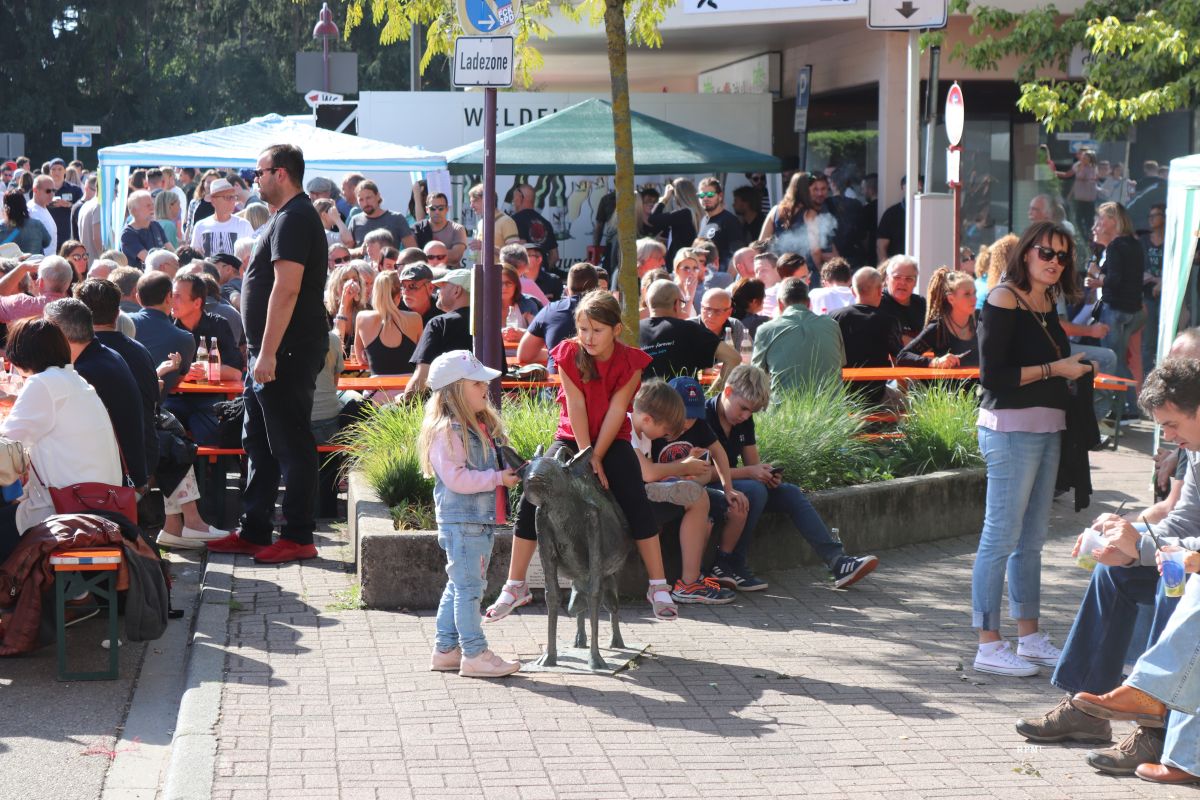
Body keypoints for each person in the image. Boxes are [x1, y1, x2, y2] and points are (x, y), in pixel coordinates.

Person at [1014, 333, 1200, 776]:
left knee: (1172, 583)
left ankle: (1154, 729)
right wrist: (1125, 539)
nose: (1168, 436)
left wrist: (1143, 546)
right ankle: (1087, 706)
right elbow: (1184, 520)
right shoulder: (1194, 448)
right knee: (1113, 571)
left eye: (1172, 424)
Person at [485, 291, 680, 622]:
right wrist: (587, 456)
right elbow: (575, 406)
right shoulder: (568, 353)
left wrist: (597, 456)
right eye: (583, 329)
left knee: (635, 497)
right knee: (532, 493)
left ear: (616, 330)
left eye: (597, 330)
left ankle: (658, 586)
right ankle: (516, 585)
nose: (588, 337)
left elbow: (617, 410)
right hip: (570, 438)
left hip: (612, 439)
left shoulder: (631, 362)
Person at [972, 220, 1094, 676]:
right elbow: (993, 376)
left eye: (1062, 256)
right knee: (1000, 537)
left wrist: (1068, 369)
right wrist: (1055, 369)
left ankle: (1029, 637)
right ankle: (988, 644)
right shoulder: (1003, 297)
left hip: (1048, 428)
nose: (1054, 262)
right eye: (1047, 253)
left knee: (1032, 540)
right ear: (1026, 252)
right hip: (1010, 430)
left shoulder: (1047, 302)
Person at [207, 144, 330, 564]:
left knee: (290, 443)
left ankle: (298, 535)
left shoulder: (295, 217)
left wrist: (270, 352)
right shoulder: (287, 216)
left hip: (285, 352)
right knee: (258, 441)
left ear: (280, 173)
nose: (253, 180)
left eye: (257, 172)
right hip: (270, 352)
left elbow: (287, 288)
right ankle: (254, 529)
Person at [707, 364, 878, 591]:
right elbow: (700, 474)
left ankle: (838, 562)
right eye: (743, 408)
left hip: (735, 486)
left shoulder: (743, 421)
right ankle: (731, 563)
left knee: (790, 493)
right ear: (728, 392)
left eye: (751, 412)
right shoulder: (704, 416)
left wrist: (766, 476)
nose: (746, 416)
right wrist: (750, 473)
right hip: (709, 489)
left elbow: (752, 465)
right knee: (755, 491)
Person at [418, 349, 522, 678]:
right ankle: (475, 654)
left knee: (459, 585)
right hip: (465, 525)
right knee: (469, 590)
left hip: (474, 524)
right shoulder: (448, 431)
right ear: (455, 391)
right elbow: (457, 480)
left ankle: (446, 650)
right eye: (476, 383)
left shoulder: (473, 426)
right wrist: (498, 478)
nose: (485, 387)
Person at [0, 319, 121, 560]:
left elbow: (6, 446)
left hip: (65, 511)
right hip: (101, 505)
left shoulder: (42, 383)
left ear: (21, 354)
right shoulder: (76, 380)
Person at [629, 379, 732, 605]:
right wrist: (683, 466)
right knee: (697, 497)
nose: (668, 433)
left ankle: (693, 579)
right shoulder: (628, 429)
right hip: (630, 504)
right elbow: (648, 473)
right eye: (665, 429)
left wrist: (684, 472)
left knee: (698, 496)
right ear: (648, 419)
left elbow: (651, 474)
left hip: (640, 495)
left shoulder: (642, 431)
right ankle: (689, 583)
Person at [43, 297, 147, 490]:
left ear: (60, 335)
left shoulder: (83, 373)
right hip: (129, 472)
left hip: (111, 485)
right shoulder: (107, 355)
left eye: (46, 331)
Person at [1088, 202, 1147, 414]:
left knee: (1112, 360)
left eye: (1102, 218)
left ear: (1114, 220)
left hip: (1115, 310)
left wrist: (1096, 273)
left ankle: (1121, 408)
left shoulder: (1115, 246)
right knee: (1120, 359)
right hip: (1133, 311)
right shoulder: (1134, 244)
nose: (1099, 223)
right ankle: (1130, 407)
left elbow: (1114, 280)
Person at [639, 279, 739, 390]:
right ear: (677, 304)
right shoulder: (690, 329)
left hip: (642, 399)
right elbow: (733, 358)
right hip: (683, 399)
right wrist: (713, 394)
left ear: (647, 302)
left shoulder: (632, 332)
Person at [752, 277, 845, 396]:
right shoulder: (832, 325)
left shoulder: (765, 330)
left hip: (784, 407)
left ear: (780, 304)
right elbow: (840, 363)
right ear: (809, 303)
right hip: (832, 407)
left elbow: (756, 376)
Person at [830, 267, 903, 406]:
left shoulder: (834, 317)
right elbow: (898, 361)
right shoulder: (888, 320)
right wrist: (904, 391)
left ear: (853, 291)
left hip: (841, 396)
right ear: (880, 291)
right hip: (877, 396)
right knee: (910, 406)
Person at [403, 269, 474, 397]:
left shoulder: (438, 323)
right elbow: (500, 374)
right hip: (482, 403)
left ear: (457, 291)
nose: (437, 292)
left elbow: (420, 380)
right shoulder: (489, 325)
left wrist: (402, 400)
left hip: (441, 405)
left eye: (442, 287)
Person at [518, 262, 599, 370]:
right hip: (600, 379)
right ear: (597, 289)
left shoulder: (550, 311)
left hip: (557, 378)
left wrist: (555, 354)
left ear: (567, 290)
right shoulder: (608, 312)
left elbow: (524, 355)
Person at [897, 267, 979, 368]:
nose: (974, 298)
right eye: (967, 294)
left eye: (974, 293)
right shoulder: (938, 328)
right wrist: (936, 362)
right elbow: (902, 357)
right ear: (951, 299)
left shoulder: (981, 320)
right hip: (951, 379)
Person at [128, 271, 196, 393]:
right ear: (169, 297)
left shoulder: (121, 323)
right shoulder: (185, 339)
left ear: (138, 298)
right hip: (153, 402)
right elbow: (176, 381)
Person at [353, 270, 423, 377]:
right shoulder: (415, 318)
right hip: (408, 386)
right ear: (399, 295)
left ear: (375, 294)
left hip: (377, 386)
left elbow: (360, 360)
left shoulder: (362, 318)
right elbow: (422, 357)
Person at [761, 172, 836, 272]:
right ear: (806, 191)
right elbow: (815, 250)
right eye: (814, 189)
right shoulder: (810, 213)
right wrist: (821, 271)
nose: (818, 193)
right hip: (802, 271)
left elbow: (762, 242)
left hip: (779, 269)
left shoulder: (774, 210)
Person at [0, 255, 71, 323]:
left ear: (40, 282)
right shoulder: (74, 308)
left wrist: (23, 267)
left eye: (35, 276)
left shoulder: (21, 303)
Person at [647, 178, 702, 265]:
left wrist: (665, 199)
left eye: (673, 194)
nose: (673, 198)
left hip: (680, 261)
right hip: (688, 260)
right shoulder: (695, 213)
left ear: (678, 195)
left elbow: (652, 219)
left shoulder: (684, 213)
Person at [695, 177, 744, 270]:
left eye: (710, 194)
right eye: (701, 195)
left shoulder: (729, 220)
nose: (705, 198)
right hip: (704, 274)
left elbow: (737, 254)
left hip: (721, 274)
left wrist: (728, 276)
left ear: (720, 196)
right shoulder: (703, 220)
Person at [878, 255, 928, 344]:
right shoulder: (878, 302)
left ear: (915, 282)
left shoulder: (921, 303)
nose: (903, 282)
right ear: (887, 279)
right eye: (897, 277)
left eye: (909, 279)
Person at [1141, 204, 1166, 375]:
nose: (1151, 219)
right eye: (1149, 216)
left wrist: (1160, 281)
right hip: (1147, 296)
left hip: (1168, 297)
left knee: (1166, 336)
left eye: (1155, 215)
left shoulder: (1171, 240)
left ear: (1164, 217)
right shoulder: (1143, 241)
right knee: (1148, 341)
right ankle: (1147, 377)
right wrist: (1155, 280)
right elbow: (1139, 270)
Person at [411, 192, 467, 266]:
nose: (437, 212)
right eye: (433, 208)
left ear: (447, 209)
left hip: (450, 271)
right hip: (425, 272)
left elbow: (455, 256)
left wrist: (426, 255)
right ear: (427, 209)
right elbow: (413, 256)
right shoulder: (416, 229)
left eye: (441, 208)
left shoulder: (457, 229)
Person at [509, 183, 559, 265]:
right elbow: (554, 256)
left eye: (514, 198)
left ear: (520, 198)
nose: (513, 201)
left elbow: (518, 253)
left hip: (524, 272)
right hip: (543, 272)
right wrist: (542, 269)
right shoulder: (546, 223)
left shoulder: (514, 221)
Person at [120, 190, 172, 269]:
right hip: (141, 276)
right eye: (148, 205)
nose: (152, 208)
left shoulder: (156, 225)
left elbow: (171, 250)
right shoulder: (128, 234)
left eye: (152, 204)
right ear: (134, 211)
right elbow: (151, 260)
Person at [876, 175, 920, 262]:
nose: (917, 189)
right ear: (902, 187)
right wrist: (886, 268)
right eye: (912, 185)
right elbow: (881, 246)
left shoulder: (928, 213)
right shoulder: (891, 214)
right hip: (897, 266)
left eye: (919, 185)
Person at [1053, 148, 1099, 232]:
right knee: (1078, 219)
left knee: (1089, 219)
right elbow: (1068, 175)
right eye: (1083, 157)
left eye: (1085, 158)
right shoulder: (1077, 165)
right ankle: (1083, 235)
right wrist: (1055, 173)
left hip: (1088, 198)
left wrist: (1082, 172)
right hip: (1079, 197)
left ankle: (1089, 236)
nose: (1082, 158)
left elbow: (1085, 179)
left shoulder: (1092, 168)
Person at [693, 287, 747, 352]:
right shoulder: (688, 327)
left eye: (718, 311)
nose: (710, 315)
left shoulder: (736, 326)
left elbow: (746, 354)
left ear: (729, 312)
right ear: (701, 307)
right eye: (707, 309)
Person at [0, 189, 51, 257]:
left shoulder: (1, 227)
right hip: (34, 262)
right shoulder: (37, 224)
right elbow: (47, 242)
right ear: (24, 204)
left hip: (10, 263)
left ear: (5, 207)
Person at [500, 264, 542, 342]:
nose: (504, 287)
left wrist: (523, 334)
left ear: (516, 285)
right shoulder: (484, 305)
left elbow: (540, 334)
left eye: (508, 283)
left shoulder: (528, 304)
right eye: (499, 283)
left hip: (520, 349)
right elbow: (479, 334)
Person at [28, 175, 60, 255]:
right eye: (48, 191)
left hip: (50, 259)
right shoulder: (30, 211)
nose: (52, 194)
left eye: (53, 190)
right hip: (39, 261)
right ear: (35, 190)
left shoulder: (43, 207)